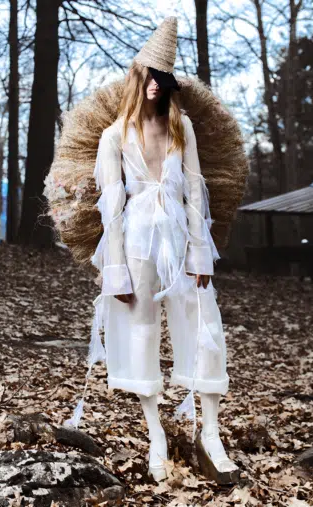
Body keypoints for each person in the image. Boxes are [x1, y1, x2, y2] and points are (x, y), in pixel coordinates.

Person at [67, 17, 240, 485]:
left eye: (162, 80)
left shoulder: (182, 128)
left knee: (203, 323)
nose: (153, 87)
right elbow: (112, 206)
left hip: (183, 238)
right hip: (138, 242)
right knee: (140, 330)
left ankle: (211, 433)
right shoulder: (113, 137)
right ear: (135, 78)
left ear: (169, 85)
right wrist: (115, 268)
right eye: (147, 77)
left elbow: (197, 192)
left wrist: (201, 253)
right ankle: (156, 437)